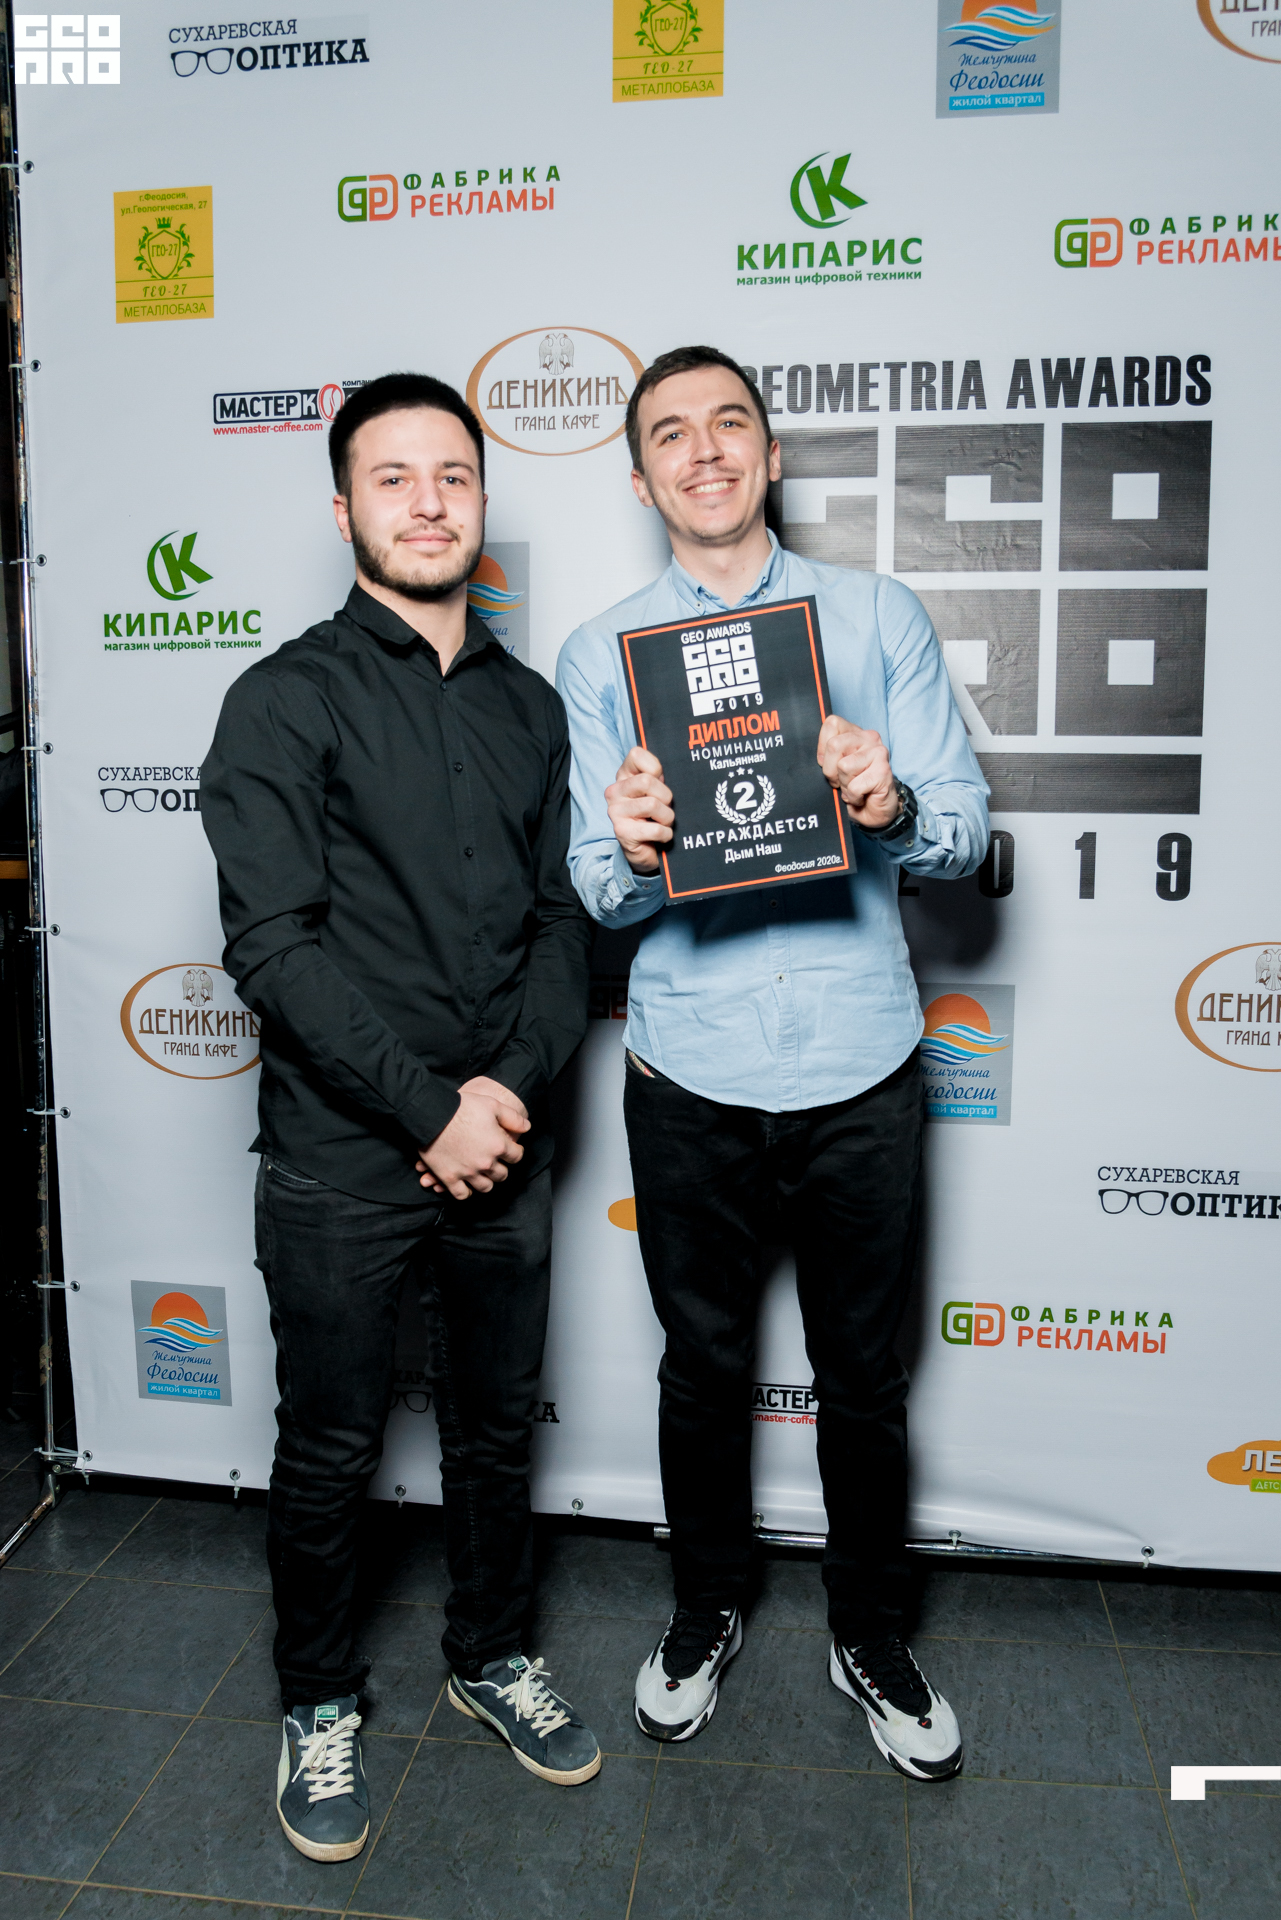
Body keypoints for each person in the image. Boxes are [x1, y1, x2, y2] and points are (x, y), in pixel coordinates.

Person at [555, 345, 989, 1783]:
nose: (704, 451)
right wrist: (631, 847)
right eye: (670, 434)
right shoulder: (601, 657)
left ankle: (869, 1631)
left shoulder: (874, 617)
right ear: (640, 478)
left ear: (771, 453)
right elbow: (594, 890)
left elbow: (966, 839)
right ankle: (705, 1611)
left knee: (862, 1377)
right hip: (690, 1071)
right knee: (702, 1369)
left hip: (861, 1064)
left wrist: (892, 800)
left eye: (728, 424)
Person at [201, 373, 601, 1863]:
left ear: (480, 500)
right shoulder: (280, 700)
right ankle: (318, 1700)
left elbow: (562, 923)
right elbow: (273, 946)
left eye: (453, 476)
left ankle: (491, 1654)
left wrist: (504, 1092)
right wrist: (429, 1112)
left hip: (504, 1142)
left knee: (496, 1434)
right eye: (393, 478)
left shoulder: (531, 708)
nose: (428, 503)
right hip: (339, 1161)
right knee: (329, 1447)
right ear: (343, 510)